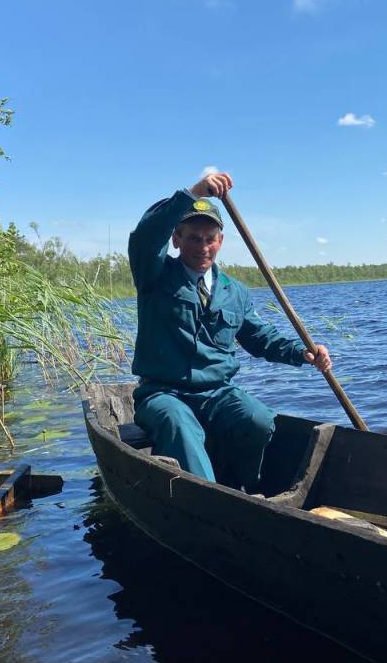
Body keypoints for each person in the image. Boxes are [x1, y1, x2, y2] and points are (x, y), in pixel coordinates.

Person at [128, 171, 332, 492]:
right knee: (178, 424)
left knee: (258, 419)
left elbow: (260, 338)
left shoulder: (232, 291)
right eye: (193, 238)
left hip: (217, 394)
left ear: (220, 242)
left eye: (210, 239)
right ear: (176, 239)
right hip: (163, 393)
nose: (203, 247)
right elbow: (145, 236)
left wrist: (302, 353)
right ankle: (208, 500)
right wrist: (192, 192)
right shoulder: (154, 275)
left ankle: (243, 489)